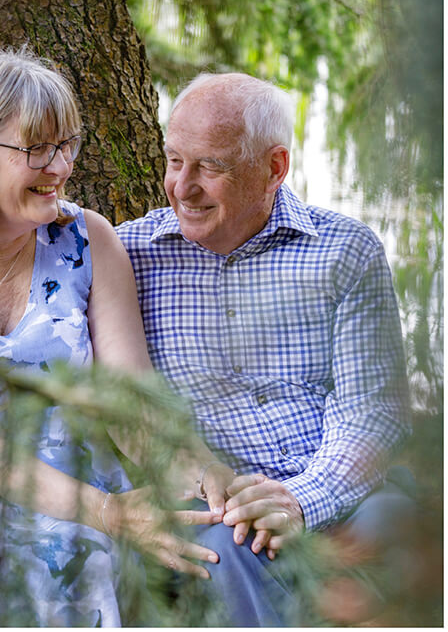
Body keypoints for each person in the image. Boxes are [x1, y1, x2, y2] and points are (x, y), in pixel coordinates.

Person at [0, 50, 233, 627]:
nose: (60, 167)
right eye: (36, 149)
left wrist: (195, 465)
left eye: (67, 145)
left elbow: (128, 400)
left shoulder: (87, 240)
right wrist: (109, 513)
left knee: (86, 557)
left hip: (78, 466)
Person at [115, 72, 412, 625]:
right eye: (175, 160)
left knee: (399, 533)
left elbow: (373, 416)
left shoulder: (344, 252)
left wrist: (302, 499)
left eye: (212, 166)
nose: (183, 186)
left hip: (341, 488)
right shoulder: (128, 256)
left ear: (274, 168)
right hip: (220, 503)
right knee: (222, 549)